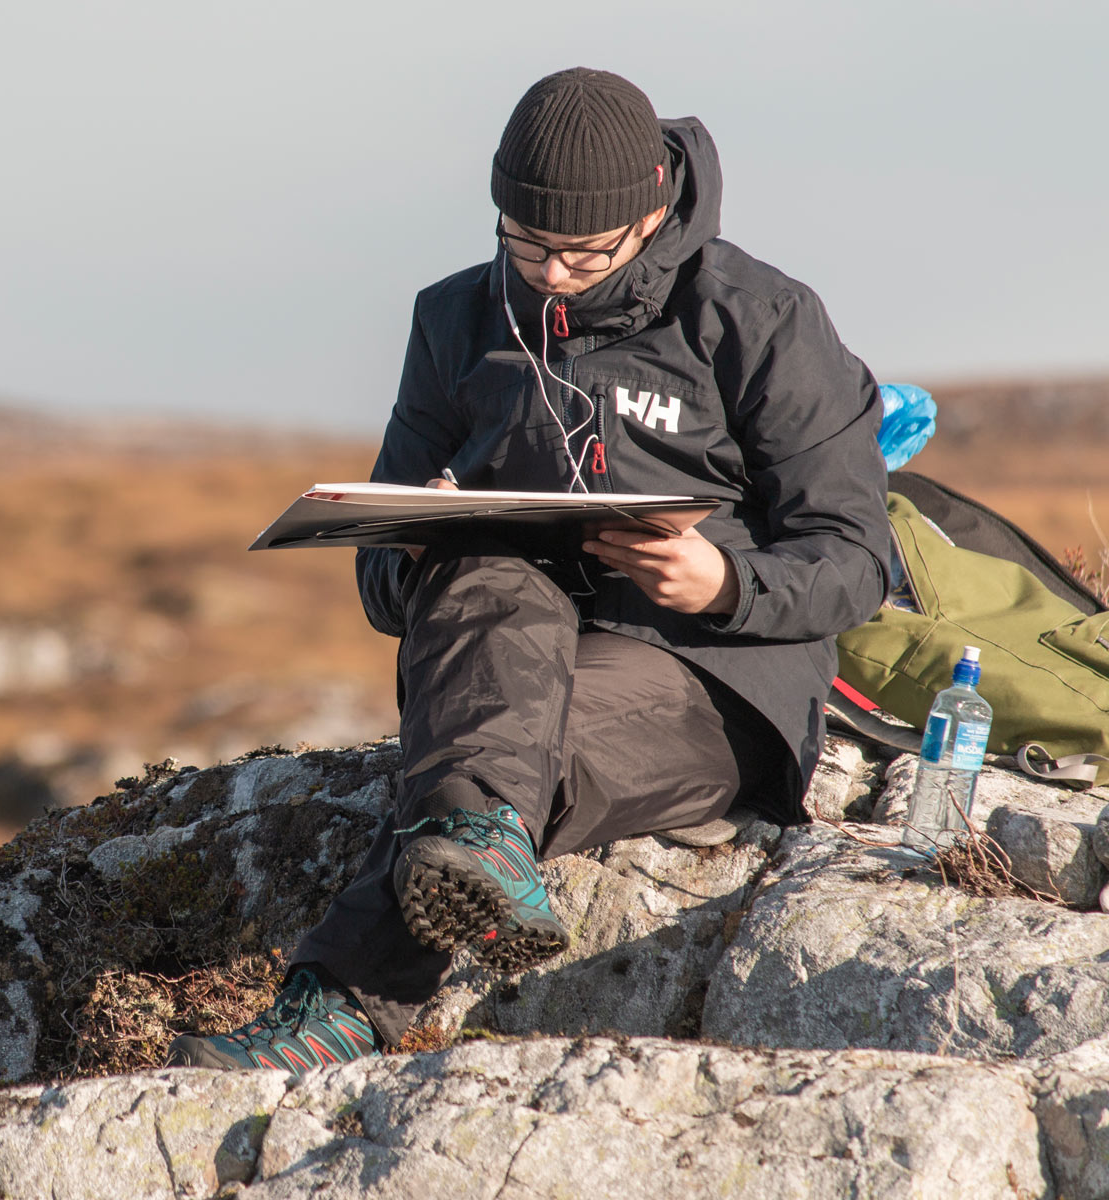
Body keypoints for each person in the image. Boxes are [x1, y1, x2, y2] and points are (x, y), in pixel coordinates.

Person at [167, 67, 890, 1074]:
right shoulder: (454, 319)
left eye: (583, 252)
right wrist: (413, 551)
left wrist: (721, 582)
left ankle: (333, 1004)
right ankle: (471, 859)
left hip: (709, 680)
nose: (550, 273)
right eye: (524, 244)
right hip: (496, 654)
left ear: (650, 211)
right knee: (478, 578)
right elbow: (383, 588)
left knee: (473, 770)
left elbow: (858, 562)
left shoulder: (761, 319)